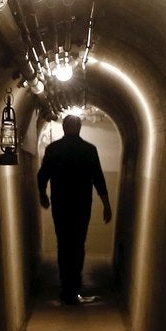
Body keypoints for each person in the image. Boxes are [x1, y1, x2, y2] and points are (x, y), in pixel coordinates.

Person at [37, 114, 112, 305]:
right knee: (78, 244)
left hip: (61, 205)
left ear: (64, 128)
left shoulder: (53, 149)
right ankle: (75, 285)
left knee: (63, 244)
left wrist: (43, 195)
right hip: (81, 205)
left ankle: (66, 287)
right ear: (79, 128)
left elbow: (42, 175)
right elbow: (98, 179)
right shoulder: (89, 149)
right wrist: (106, 205)